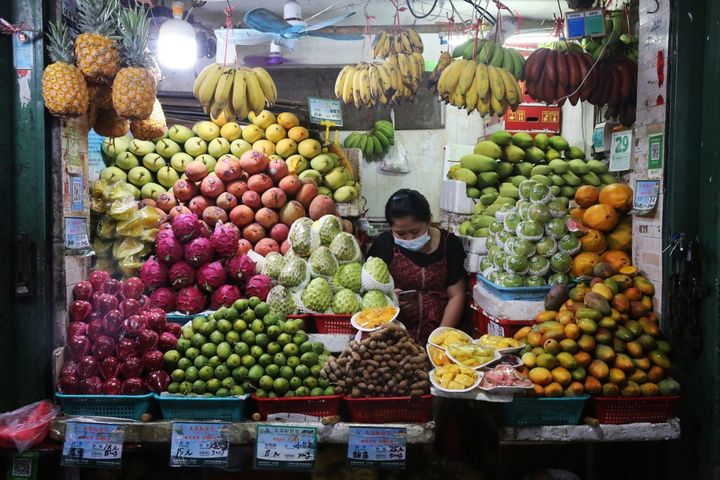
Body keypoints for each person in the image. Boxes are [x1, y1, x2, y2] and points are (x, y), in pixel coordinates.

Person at [367, 189, 466, 344]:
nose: (409, 238)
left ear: (429, 220)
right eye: (400, 234)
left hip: (443, 330)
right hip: (394, 339)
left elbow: (456, 295)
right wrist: (389, 296)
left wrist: (440, 340)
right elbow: (370, 291)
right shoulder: (384, 245)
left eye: (415, 231)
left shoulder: (449, 244)